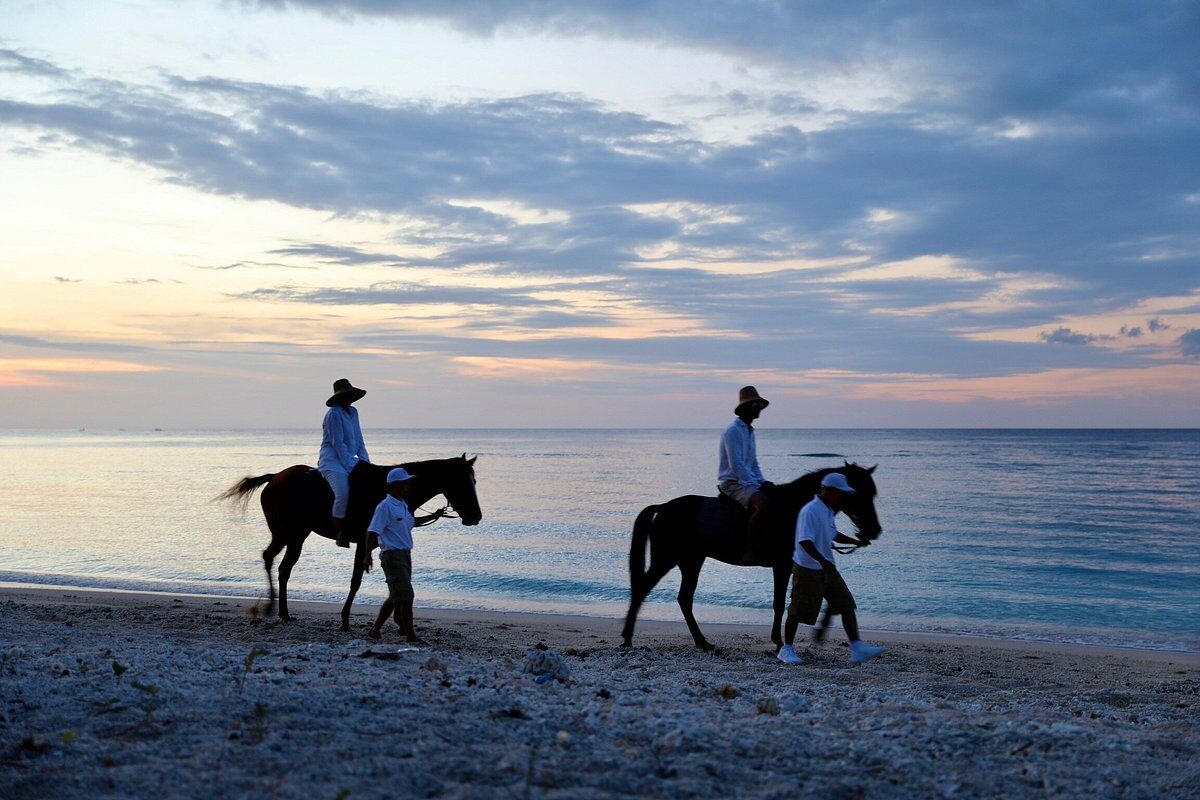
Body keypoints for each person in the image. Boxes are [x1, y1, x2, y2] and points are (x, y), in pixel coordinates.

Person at [777, 472, 887, 665]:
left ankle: (857, 647)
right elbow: (804, 541)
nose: (842, 497)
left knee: (846, 604)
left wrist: (855, 541)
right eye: (839, 493)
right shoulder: (810, 511)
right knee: (796, 611)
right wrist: (823, 561)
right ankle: (787, 649)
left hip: (827, 568)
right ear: (828, 491)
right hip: (808, 569)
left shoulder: (827, 510)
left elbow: (833, 534)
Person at [361, 468, 445, 643]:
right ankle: (410, 635)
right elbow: (372, 531)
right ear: (396, 485)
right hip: (392, 556)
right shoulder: (385, 506)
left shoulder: (403, 506)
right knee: (406, 595)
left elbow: (413, 523)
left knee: (396, 595)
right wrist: (367, 556)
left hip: (405, 555)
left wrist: (434, 516)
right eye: (405, 483)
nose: (408, 486)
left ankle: (375, 630)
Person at [718, 385, 773, 564]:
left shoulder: (749, 431)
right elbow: (736, 465)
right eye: (755, 405)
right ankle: (751, 549)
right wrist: (754, 485)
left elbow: (753, 462)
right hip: (733, 483)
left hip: (746, 481)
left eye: (759, 405)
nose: (758, 410)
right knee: (763, 504)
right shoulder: (733, 430)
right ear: (746, 408)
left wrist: (762, 482)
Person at [318, 378, 370, 548]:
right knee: (343, 492)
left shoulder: (354, 412)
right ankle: (340, 533)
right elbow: (337, 442)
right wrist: (350, 465)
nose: (350, 398)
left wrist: (365, 464)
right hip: (332, 462)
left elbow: (359, 439)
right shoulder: (333, 413)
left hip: (350, 460)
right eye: (347, 395)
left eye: (351, 395)